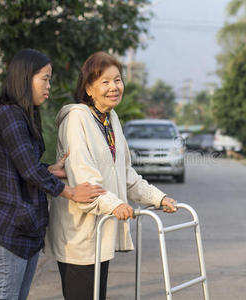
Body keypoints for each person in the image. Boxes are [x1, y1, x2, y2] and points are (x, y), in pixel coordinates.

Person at [45, 51, 177, 300]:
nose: (114, 87)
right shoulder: (76, 119)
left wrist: (159, 198)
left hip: (101, 231)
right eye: (105, 82)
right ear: (89, 88)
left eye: (117, 80)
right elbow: (84, 177)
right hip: (79, 234)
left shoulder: (110, 119)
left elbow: (126, 174)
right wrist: (115, 204)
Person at [0, 48, 106, 300]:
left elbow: (21, 165)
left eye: (50, 79)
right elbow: (27, 168)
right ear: (25, 77)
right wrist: (71, 192)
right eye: (44, 78)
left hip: (26, 226)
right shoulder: (9, 114)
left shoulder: (25, 114)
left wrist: (48, 169)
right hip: (9, 227)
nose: (48, 85)